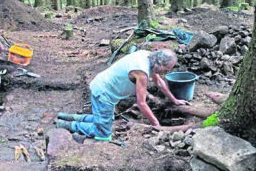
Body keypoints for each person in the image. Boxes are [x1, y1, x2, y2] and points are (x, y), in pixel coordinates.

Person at [56, 49, 188, 140]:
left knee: (104, 120)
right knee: (103, 134)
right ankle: (67, 125)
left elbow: (159, 82)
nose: (165, 73)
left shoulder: (148, 56)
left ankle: (69, 117)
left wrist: (174, 100)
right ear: (160, 63)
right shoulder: (141, 71)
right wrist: (156, 124)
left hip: (101, 86)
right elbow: (141, 103)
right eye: (165, 70)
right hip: (104, 93)